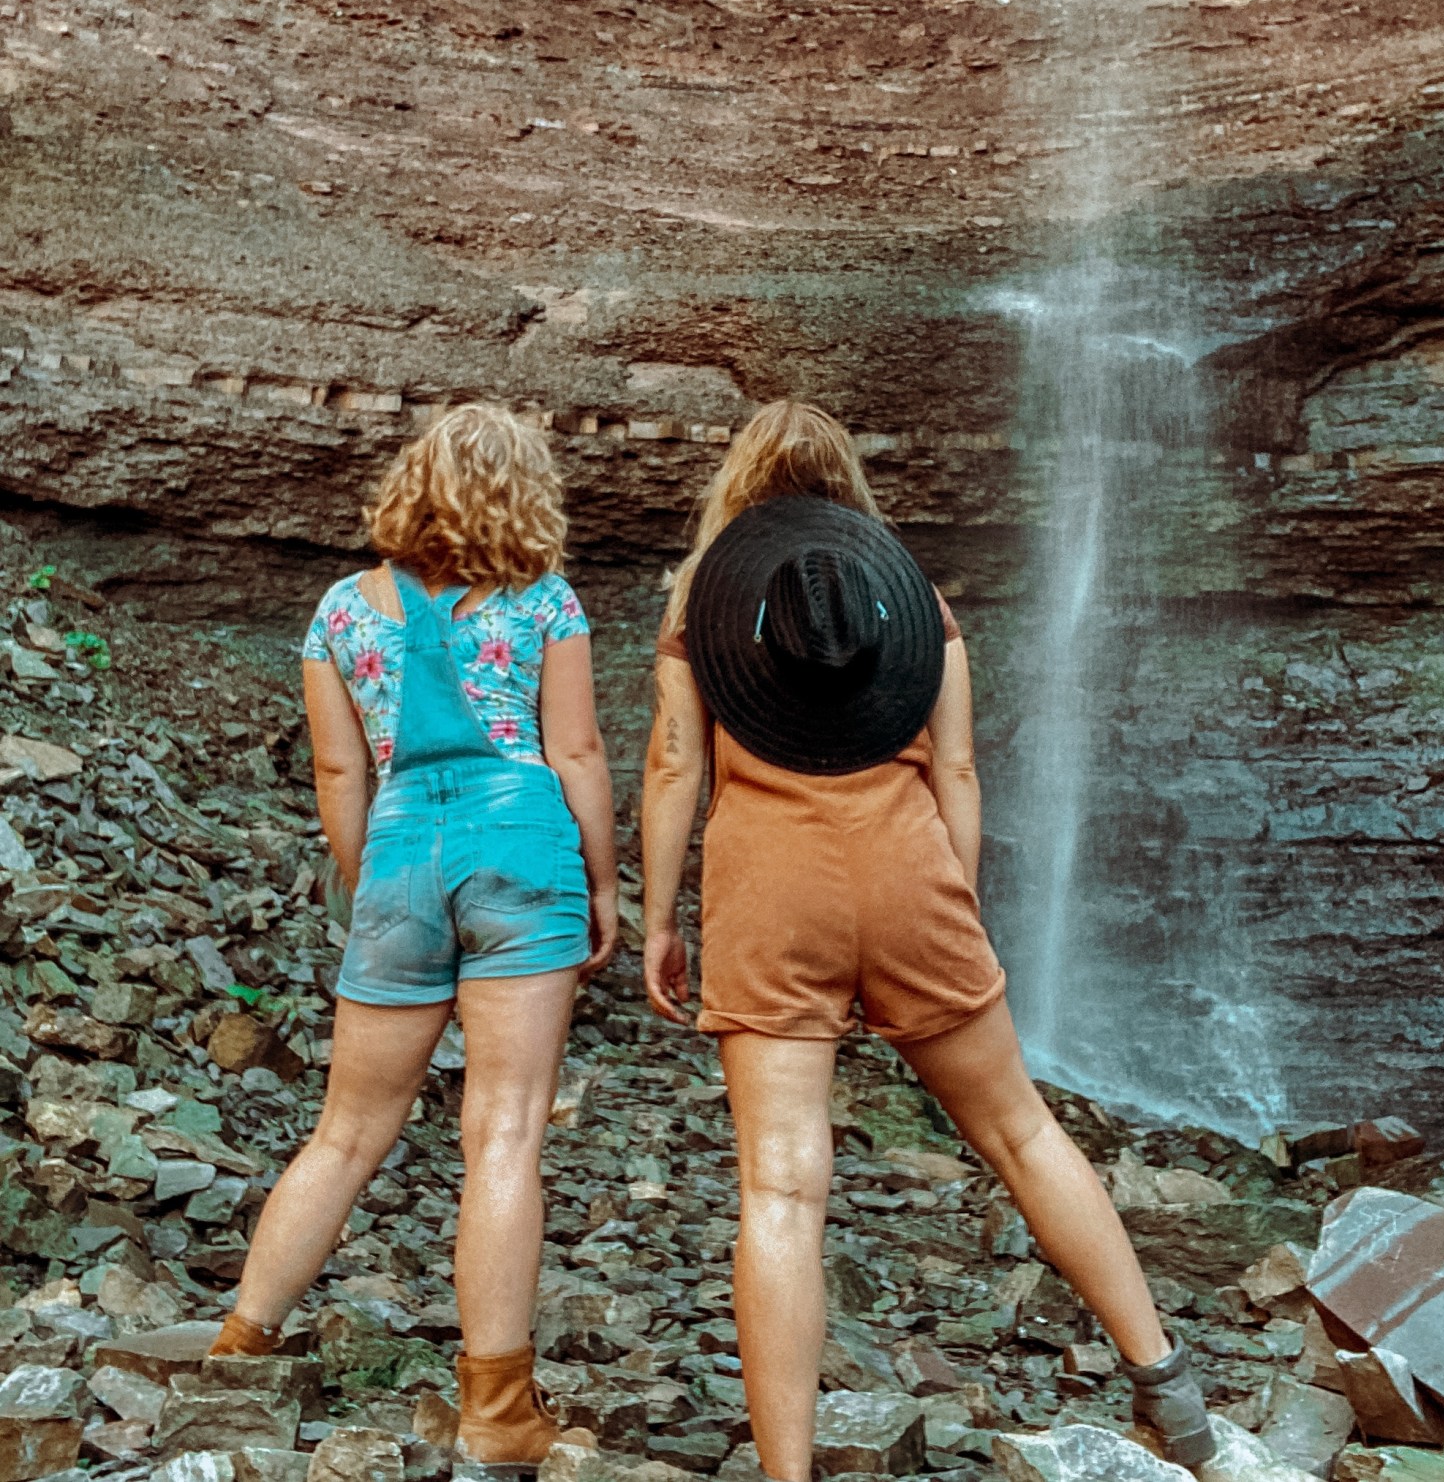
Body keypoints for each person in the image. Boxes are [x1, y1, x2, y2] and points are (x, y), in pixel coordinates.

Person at [640, 401, 1215, 1480]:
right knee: (1020, 1132)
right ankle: (1171, 1395)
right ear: (847, 485)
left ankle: (788, 1472)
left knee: (777, 1183)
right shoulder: (915, 601)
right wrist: (955, 898)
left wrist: (660, 916)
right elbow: (955, 768)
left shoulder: (700, 604)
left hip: (769, 890)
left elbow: (677, 768)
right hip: (909, 872)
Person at [209, 402, 619, 1470]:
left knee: (347, 1128)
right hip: (522, 844)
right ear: (522, 489)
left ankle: (237, 1345)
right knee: (504, 1131)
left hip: (396, 850)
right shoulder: (544, 600)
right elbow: (574, 751)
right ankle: (496, 1407)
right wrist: (605, 885)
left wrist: (371, 883)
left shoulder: (341, 611)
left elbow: (338, 772)